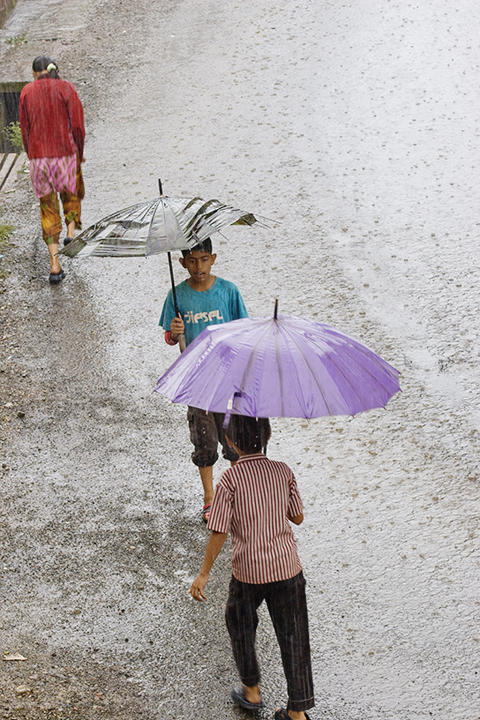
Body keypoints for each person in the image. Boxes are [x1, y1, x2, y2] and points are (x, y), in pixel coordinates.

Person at [190, 414, 314, 720]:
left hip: (248, 573)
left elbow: (219, 528)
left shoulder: (230, 480)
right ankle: (297, 712)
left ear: (229, 441)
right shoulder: (282, 471)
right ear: (268, 436)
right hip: (287, 569)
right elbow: (297, 517)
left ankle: (252, 691)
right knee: (294, 636)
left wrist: (204, 573)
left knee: (240, 624)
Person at [159, 238, 248, 522]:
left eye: (204, 259)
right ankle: (210, 497)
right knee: (205, 439)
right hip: (196, 382)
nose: (199, 267)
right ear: (182, 262)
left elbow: (243, 330)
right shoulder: (177, 296)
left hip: (229, 379)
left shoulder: (229, 292)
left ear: (214, 259)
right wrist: (174, 332)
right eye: (193, 261)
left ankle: (235, 492)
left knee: (234, 439)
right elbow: (170, 338)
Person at [19, 55, 85, 284]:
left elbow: (24, 128)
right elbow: (77, 126)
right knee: (71, 194)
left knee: (47, 209)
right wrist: (79, 151)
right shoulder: (66, 88)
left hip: (39, 160)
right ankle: (70, 232)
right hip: (65, 155)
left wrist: (32, 154)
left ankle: (55, 266)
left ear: (35, 73)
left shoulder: (27, 92)